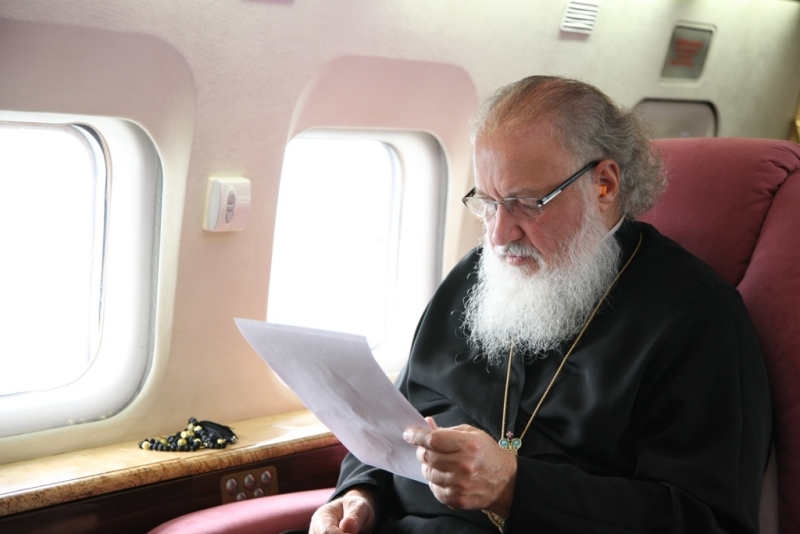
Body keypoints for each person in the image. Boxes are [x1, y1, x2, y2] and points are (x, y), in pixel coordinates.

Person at [307, 76, 772, 533]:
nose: (497, 235)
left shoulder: (697, 318)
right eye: (488, 203)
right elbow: (399, 419)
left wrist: (514, 485)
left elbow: (703, 520)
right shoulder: (474, 278)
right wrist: (360, 495)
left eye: (526, 203)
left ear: (604, 185)